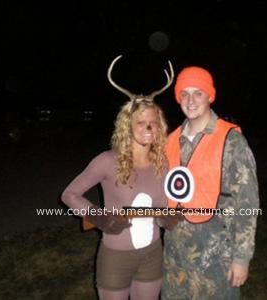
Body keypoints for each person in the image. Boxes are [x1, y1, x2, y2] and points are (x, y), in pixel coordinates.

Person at [61, 55, 180, 300]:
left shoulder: (164, 163)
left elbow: (161, 207)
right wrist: (98, 216)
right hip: (115, 257)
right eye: (141, 122)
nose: (148, 128)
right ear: (127, 125)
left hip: (152, 255)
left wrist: (166, 216)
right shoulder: (107, 160)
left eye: (153, 123)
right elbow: (69, 195)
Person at [161, 66, 260, 299]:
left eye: (198, 93)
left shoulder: (232, 141)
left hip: (216, 260)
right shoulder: (170, 141)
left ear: (209, 96)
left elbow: (247, 204)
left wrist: (241, 258)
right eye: (184, 93)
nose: (190, 100)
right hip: (175, 261)